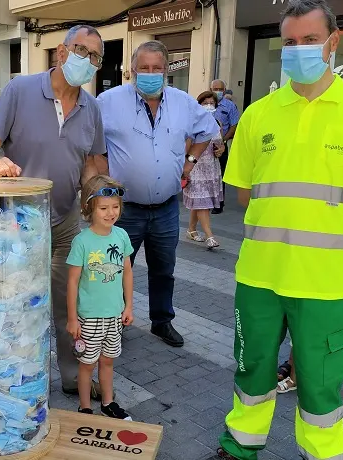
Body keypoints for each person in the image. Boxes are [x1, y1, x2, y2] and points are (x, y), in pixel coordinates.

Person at [216, 1, 343, 459]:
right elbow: (244, 192)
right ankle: (239, 447)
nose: (298, 50)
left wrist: (328, 227)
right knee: (251, 367)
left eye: (309, 40)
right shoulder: (259, 113)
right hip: (260, 275)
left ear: (333, 43)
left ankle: (321, 454)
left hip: (323, 280)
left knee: (319, 380)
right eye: (290, 42)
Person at [0, 24, 109, 401]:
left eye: (95, 55)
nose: (86, 59)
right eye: (80, 50)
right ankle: (14, 377)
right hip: (18, 220)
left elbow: (91, 162)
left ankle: (71, 376)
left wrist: (96, 195)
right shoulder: (21, 90)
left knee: (71, 303)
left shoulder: (91, 108)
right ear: (61, 52)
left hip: (66, 219)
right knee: (15, 302)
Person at [97, 40, 219, 348]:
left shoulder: (183, 102)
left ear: (166, 71)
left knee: (164, 269)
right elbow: (91, 143)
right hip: (124, 209)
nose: (150, 74)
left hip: (165, 207)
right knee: (114, 268)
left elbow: (207, 131)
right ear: (133, 70)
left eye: (157, 68)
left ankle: (162, 321)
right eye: (144, 68)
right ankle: (114, 322)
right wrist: (102, 183)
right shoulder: (107, 101)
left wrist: (189, 165)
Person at [66, 175, 134, 420]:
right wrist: (73, 319)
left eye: (115, 207)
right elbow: (72, 282)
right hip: (89, 319)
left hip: (114, 315)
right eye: (104, 208)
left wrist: (128, 306)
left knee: (108, 361)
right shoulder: (82, 241)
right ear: (89, 208)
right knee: (87, 365)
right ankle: (85, 407)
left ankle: (108, 402)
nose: (110, 213)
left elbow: (127, 272)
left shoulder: (122, 236)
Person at [277, 231, 343, 393]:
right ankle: (294, 373)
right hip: (307, 293)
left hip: (334, 298)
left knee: (332, 340)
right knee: (300, 335)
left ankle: (320, 376)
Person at [184, 91, 225, 249]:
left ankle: (191, 230)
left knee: (200, 201)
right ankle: (210, 236)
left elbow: (220, 144)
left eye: (212, 103)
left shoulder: (217, 124)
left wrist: (220, 150)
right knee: (203, 203)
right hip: (196, 168)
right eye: (205, 102)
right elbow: (187, 147)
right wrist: (185, 167)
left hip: (211, 168)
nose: (209, 105)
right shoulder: (193, 124)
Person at [210, 79, 240, 214]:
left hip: (220, 145)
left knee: (220, 175)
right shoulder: (206, 104)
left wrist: (224, 139)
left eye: (220, 89)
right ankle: (205, 201)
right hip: (204, 145)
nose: (217, 92)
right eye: (215, 89)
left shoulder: (230, 106)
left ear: (224, 90)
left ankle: (218, 204)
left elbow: (234, 125)